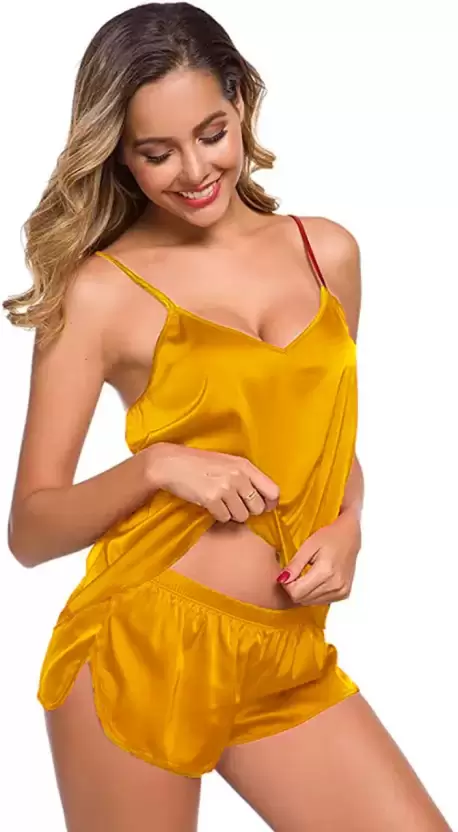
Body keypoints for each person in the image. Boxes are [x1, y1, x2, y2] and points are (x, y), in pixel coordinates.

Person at [3, 3, 452, 830]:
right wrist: (158, 466)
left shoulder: (327, 252)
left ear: (240, 99)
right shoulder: (99, 292)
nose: (194, 171)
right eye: (156, 152)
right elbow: (30, 530)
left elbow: (323, 444)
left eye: (211, 133)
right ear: (120, 152)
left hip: (289, 659)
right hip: (144, 644)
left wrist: (351, 523)